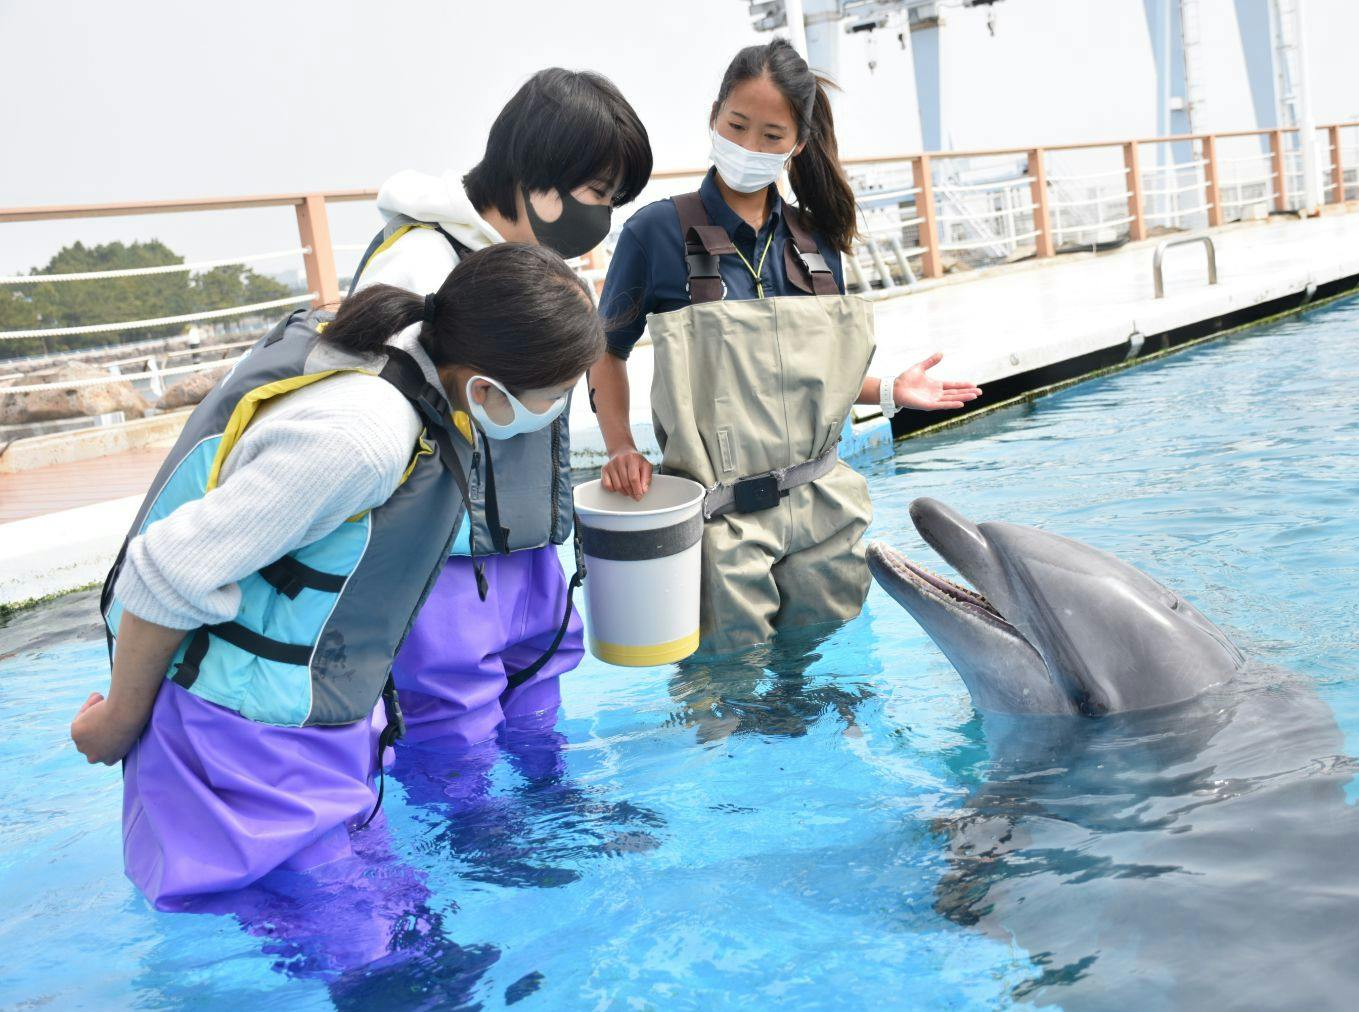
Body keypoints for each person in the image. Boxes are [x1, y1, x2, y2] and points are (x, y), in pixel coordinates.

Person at [70, 242, 606, 910]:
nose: (557, 410)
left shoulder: (424, 379)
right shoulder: (360, 438)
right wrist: (120, 720)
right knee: (363, 954)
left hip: (309, 728)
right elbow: (163, 570)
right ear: (487, 387)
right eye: (555, 395)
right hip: (238, 740)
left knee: (413, 939)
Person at [590, 39, 980, 654]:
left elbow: (815, 383)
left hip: (824, 509)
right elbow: (605, 351)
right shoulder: (654, 233)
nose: (749, 146)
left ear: (797, 144)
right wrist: (619, 446)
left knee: (834, 680)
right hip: (721, 521)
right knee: (728, 693)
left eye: (771, 135)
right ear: (713, 116)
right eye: (737, 125)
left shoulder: (816, 242)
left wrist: (889, 392)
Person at [353, 68, 653, 748]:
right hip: (443, 567)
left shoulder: (531, 262)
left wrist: (617, 448)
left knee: (539, 714)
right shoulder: (420, 264)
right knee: (453, 735)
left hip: (527, 550)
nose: (601, 218)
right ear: (538, 179)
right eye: (596, 194)